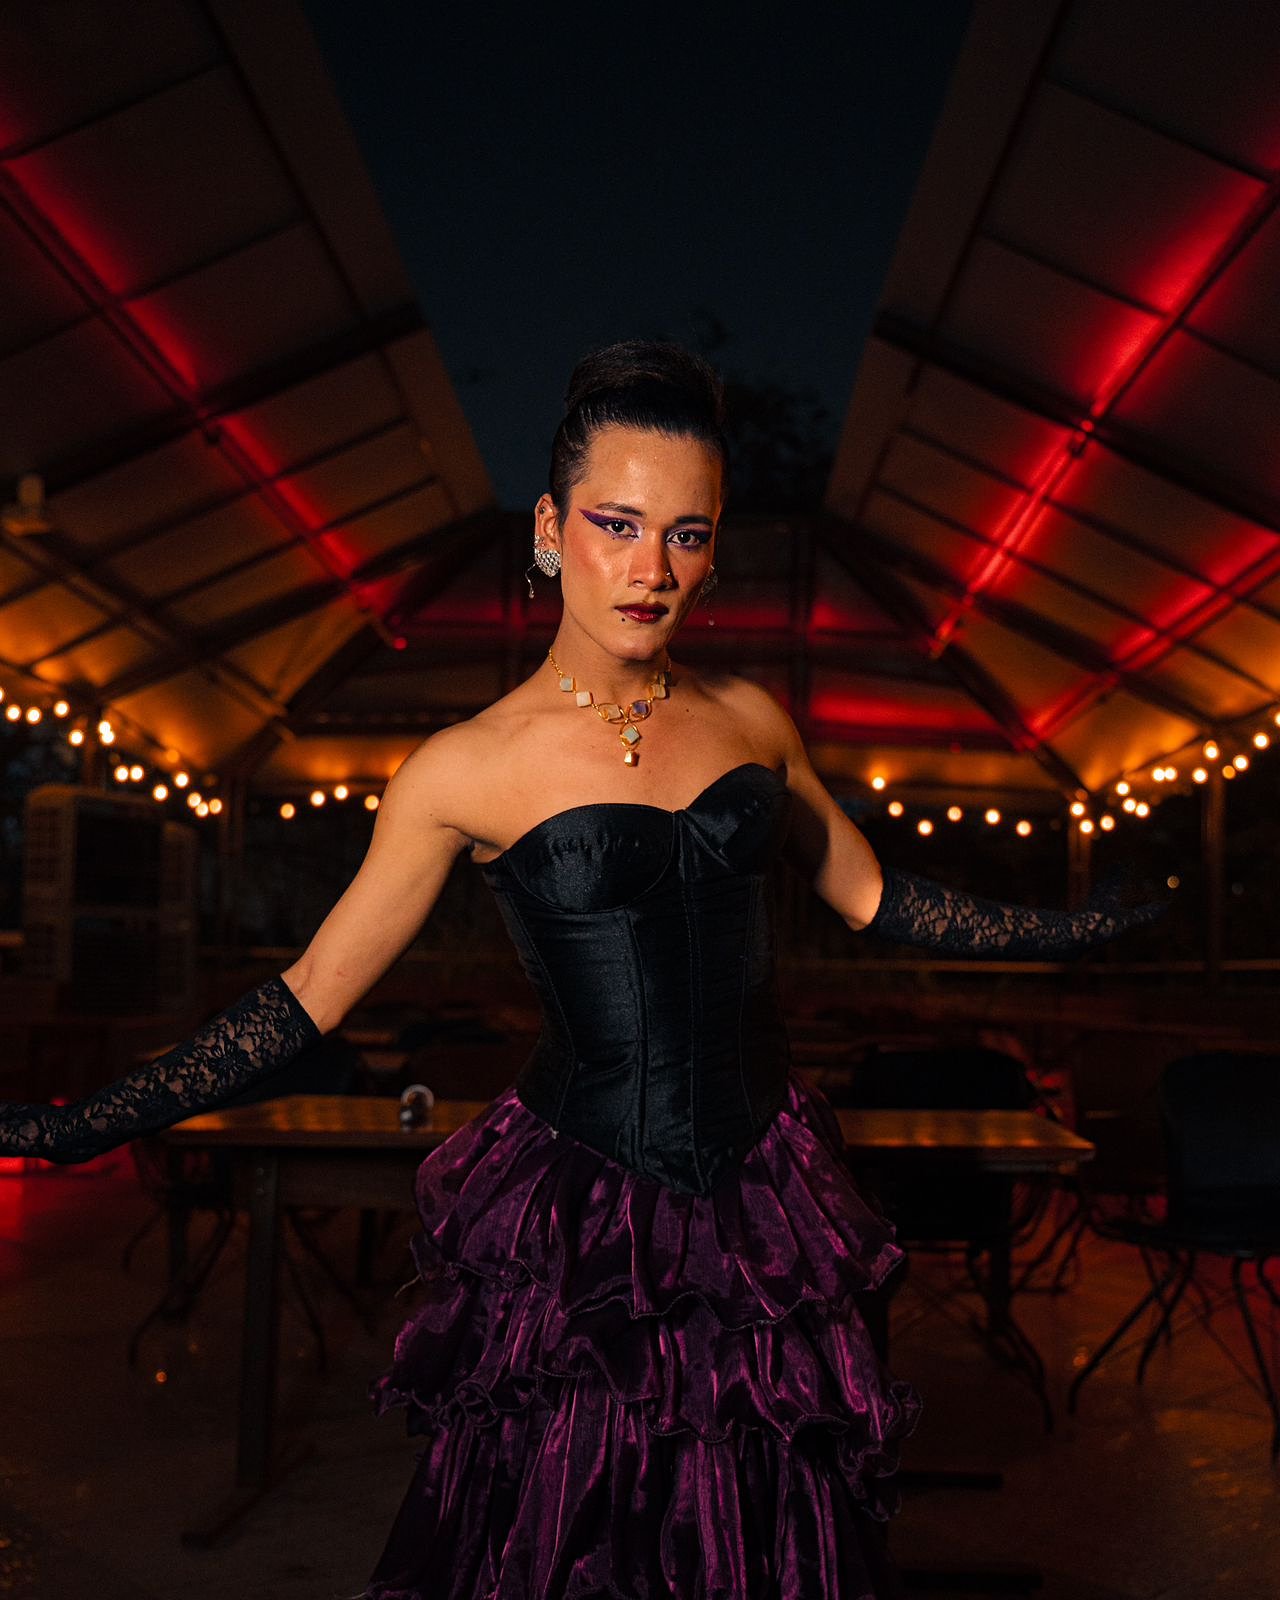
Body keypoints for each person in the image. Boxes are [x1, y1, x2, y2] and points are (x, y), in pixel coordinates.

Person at [1, 342, 1161, 1598]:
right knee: (570, 1531)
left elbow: (876, 897)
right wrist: (83, 1121)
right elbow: (311, 994)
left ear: (712, 554)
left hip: (766, 1196)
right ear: (551, 531)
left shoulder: (753, 720)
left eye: (685, 534)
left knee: (769, 1527)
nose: (650, 569)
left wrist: (1071, 930)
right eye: (616, 524)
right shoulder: (462, 765)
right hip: (585, 1212)